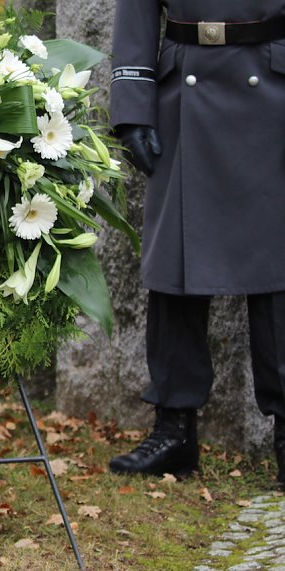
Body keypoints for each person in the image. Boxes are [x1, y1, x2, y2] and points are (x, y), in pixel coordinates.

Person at [108, 1, 285, 480]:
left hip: (274, 89)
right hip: (182, 96)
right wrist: (131, 105)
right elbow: (137, 12)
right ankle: (174, 431)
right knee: (175, 265)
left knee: (278, 268)